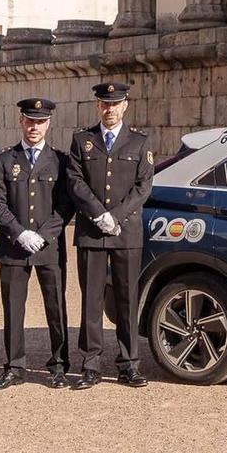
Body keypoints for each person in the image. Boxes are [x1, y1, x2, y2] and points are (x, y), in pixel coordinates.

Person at [65, 79, 156, 389]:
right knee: (91, 300)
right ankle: (90, 364)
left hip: (125, 231)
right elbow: (75, 182)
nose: (110, 109)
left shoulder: (139, 142)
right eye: (105, 104)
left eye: (115, 104)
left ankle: (129, 364)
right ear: (97, 106)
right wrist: (98, 214)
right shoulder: (82, 140)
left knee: (127, 299)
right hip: (92, 231)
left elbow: (143, 187)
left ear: (125, 106)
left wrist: (115, 216)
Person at [0, 96, 71, 389]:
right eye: (30, 121)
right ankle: (14, 366)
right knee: (13, 308)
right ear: (21, 121)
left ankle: (59, 365)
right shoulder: (4, 159)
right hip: (14, 246)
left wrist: (44, 235)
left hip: (48, 248)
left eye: (40, 122)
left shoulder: (60, 161)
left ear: (48, 124)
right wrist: (19, 232)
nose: (34, 127)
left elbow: (65, 205)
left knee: (56, 307)